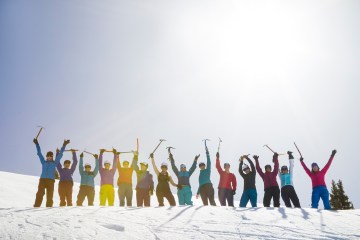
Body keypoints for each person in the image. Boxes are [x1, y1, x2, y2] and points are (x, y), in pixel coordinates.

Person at [33, 138, 69, 207]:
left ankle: (49, 207)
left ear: (52, 157)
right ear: (46, 157)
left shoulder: (54, 163)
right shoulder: (43, 162)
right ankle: (36, 206)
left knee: (50, 195)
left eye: (51, 156)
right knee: (40, 193)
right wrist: (37, 144)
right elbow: (39, 153)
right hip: (43, 180)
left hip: (50, 180)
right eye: (48, 156)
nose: (49, 157)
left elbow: (60, 154)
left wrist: (64, 145)